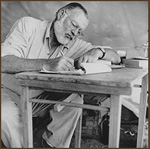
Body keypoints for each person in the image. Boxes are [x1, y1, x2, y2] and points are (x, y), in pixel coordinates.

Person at [1, 2, 121, 148]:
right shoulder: (28, 25)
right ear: (61, 14)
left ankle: (48, 144)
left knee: (75, 100)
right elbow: (4, 62)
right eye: (74, 25)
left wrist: (98, 51)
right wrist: (47, 64)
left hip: (36, 98)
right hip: (8, 92)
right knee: (4, 113)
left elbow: (116, 57)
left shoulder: (74, 43)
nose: (74, 33)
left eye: (79, 31)